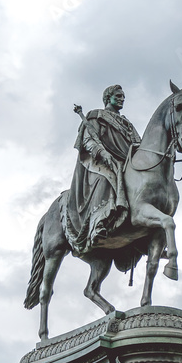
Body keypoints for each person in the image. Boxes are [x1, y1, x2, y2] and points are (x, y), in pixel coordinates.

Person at [61, 85, 141, 257]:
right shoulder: (96, 116)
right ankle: (99, 222)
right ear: (108, 98)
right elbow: (88, 139)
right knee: (107, 179)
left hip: (126, 163)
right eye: (118, 96)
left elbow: (138, 145)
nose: (122, 99)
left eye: (123, 96)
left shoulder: (127, 124)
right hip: (102, 163)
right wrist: (102, 153)